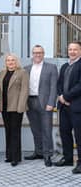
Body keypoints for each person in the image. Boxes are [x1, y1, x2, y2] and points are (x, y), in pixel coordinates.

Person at [24, 45, 58, 167]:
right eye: (35, 52)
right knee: (35, 129)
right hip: (30, 101)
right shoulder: (26, 68)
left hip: (44, 103)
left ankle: (48, 154)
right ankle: (38, 152)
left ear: (43, 54)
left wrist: (51, 103)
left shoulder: (51, 68)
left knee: (46, 129)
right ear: (32, 54)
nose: (37, 55)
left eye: (40, 52)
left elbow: (54, 87)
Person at [0, 53, 29, 167]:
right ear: (6, 62)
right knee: (8, 131)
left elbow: (25, 90)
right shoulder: (2, 73)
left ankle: (16, 157)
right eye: (8, 60)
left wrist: (21, 107)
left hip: (16, 107)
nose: (10, 62)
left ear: (16, 62)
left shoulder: (22, 73)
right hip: (4, 107)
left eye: (13, 60)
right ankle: (9, 155)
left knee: (15, 132)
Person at [55, 41, 81, 174]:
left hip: (77, 106)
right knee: (64, 132)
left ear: (80, 51)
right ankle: (68, 158)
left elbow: (79, 86)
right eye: (70, 49)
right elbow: (59, 83)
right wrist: (60, 96)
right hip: (64, 106)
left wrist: (66, 97)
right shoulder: (64, 66)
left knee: (79, 135)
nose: (72, 52)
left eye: (75, 49)